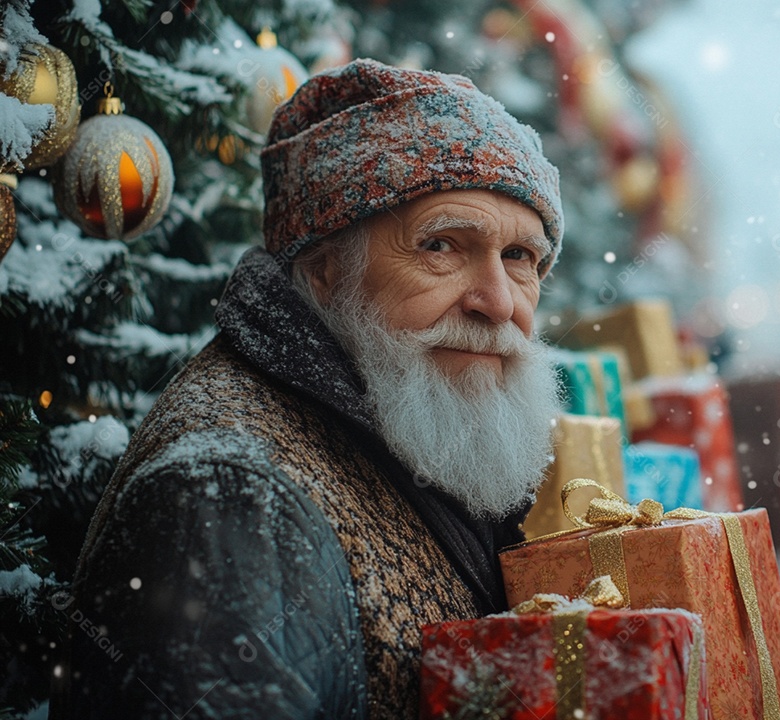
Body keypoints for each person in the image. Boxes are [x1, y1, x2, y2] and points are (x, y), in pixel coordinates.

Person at [50, 58, 565, 719]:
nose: (498, 302)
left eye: (521, 257)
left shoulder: (416, 432)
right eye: (441, 245)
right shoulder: (230, 506)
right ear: (324, 275)